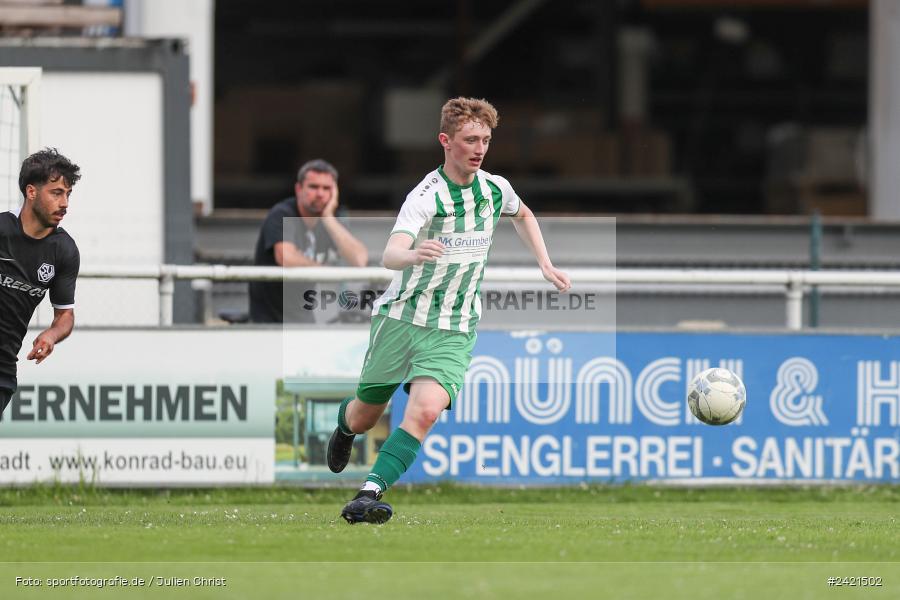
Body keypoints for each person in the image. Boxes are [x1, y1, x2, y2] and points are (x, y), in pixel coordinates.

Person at [327, 97, 571, 524]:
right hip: (402, 317)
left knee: (424, 411)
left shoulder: (495, 188)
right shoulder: (426, 195)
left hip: (454, 327)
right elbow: (388, 255)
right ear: (446, 141)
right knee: (367, 414)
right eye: (470, 140)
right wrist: (413, 253)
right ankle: (346, 426)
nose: (479, 149)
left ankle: (369, 493)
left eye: (486, 140)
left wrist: (545, 262)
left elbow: (523, 213)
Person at [0, 148, 81, 417]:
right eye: (56, 193)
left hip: (2, 368)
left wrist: (51, 335)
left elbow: (65, 315)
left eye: (67, 194)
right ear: (31, 192)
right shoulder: (2, 230)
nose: (65, 203)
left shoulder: (64, 251)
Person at [249, 159, 368, 323]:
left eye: (326, 188)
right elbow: (286, 257)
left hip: (303, 318)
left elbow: (359, 259)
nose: (320, 194)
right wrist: (325, 271)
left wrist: (328, 217)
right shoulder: (282, 213)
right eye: (313, 187)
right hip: (270, 321)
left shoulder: (330, 221)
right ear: (299, 189)